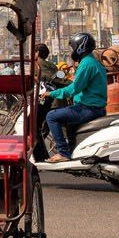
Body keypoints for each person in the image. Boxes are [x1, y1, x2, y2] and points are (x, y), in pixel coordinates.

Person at [40, 32, 106, 163]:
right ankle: (72, 150)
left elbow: (74, 88)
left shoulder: (87, 64)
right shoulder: (92, 62)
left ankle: (63, 153)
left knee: (51, 116)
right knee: (68, 121)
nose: (72, 51)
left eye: (73, 48)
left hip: (88, 108)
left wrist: (51, 93)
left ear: (81, 47)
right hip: (92, 106)